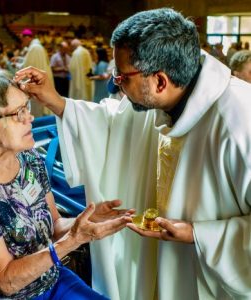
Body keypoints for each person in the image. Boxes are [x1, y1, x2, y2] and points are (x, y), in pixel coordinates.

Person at [14, 8, 251, 300]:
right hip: (160, 267)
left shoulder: (240, 122)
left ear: (160, 81)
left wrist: (199, 235)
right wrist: (55, 100)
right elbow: (113, 122)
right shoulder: (172, 89)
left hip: (209, 274)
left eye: (123, 76)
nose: (116, 83)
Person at [0, 69, 133, 299]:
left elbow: (55, 225)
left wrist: (84, 221)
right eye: (17, 113)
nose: (30, 118)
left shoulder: (29, 158)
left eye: (26, 107)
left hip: (51, 279)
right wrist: (73, 240)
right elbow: (4, 281)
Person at [20, 28, 54, 117]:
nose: (22, 42)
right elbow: (31, 63)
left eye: (22, 39)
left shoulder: (34, 48)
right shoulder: (37, 47)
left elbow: (28, 67)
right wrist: (19, 61)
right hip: (40, 82)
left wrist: (17, 66)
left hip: (37, 83)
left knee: (37, 110)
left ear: (27, 37)